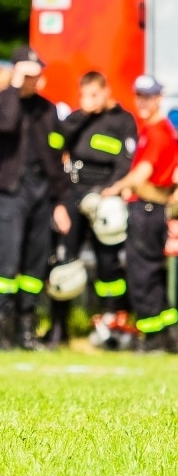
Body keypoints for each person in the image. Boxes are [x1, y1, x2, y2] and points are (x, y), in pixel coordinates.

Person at [47, 71, 138, 349]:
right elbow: (56, 147)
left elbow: (126, 162)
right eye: (84, 95)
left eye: (94, 95)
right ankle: (57, 329)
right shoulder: (77, 120)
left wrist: (108, 191)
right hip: (73, 193)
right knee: (65, 259)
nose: (88, 101)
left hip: (103, 195)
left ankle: (111, 324)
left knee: (108, 263)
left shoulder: (123, 121)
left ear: (107, 90)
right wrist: (80, 116)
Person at [0, 45, 65, 351]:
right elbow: (6, 125)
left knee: (34, 266)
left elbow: (55, 157)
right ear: (16, 73)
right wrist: (15, 88)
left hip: (41, 192)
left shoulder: (48, 109)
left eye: (36, 75)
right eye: (27, 75)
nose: (33, 81)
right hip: (10, 192)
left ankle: (26, 328)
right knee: (7, 263)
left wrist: (59, 201)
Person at [102, 75, 178, 353]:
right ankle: (170, 335)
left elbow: (142, 175)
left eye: (148, 96)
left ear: (159, 98)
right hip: (153, 210)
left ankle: (151, 337)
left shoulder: (157, 132)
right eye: (139, 96)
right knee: (153, 276)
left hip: (146, 211)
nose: (143, 102)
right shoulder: (158, 130)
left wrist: (116, 188)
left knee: (141, 277)